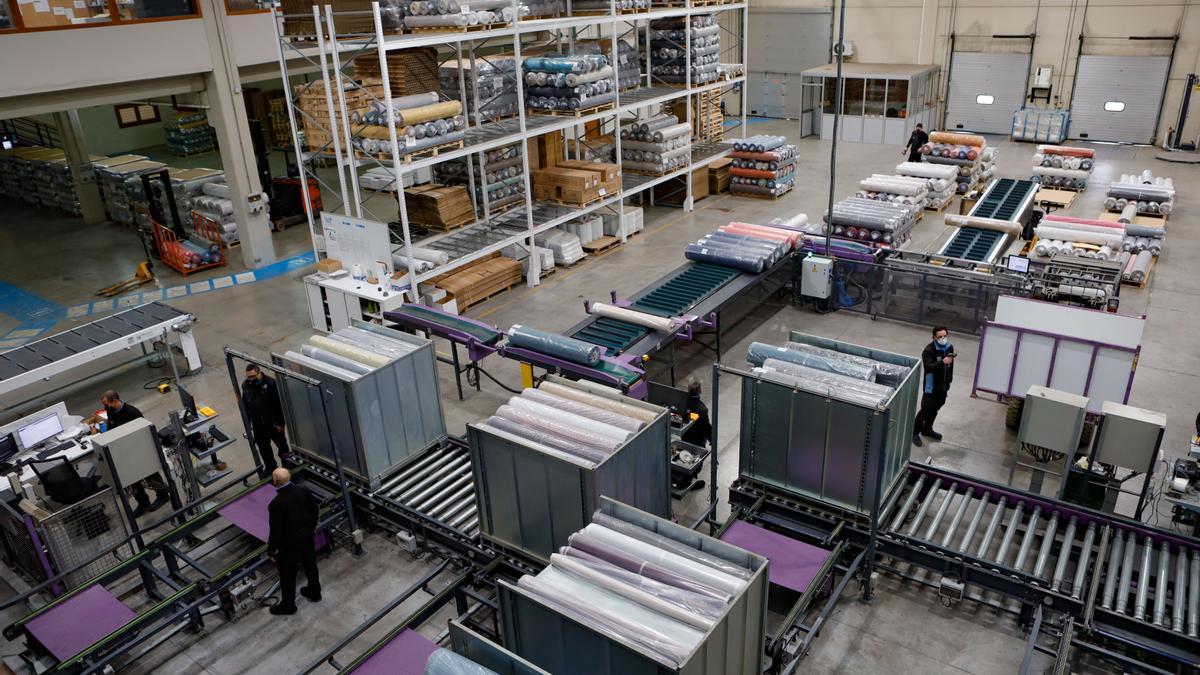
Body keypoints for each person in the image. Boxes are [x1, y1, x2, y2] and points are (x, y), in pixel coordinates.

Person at [98, 391, 171, 517]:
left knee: (149, 473)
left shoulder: (132, 413)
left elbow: (144, 431)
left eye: (106, 404)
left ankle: (163, 495)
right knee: (130, 477)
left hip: (139, 447)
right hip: (123, 449)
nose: (105, 407)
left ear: (115, 400)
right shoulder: (110, 410)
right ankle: (143, 502)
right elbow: (111, 426)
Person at [267, 467, 320, 616]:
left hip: (289, 546)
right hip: (307, 537)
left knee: (287, 576)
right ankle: (315, 592)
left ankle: (288, 605)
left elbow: (275, 531)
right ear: (290, 477)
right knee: (310, 566)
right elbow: (315, 510)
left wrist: (271, 550)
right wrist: (313, 527)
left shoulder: (275, 504)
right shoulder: (303, 490)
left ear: (275, 482)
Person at [241, 364, 289, 473]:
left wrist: (281, 424)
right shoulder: (246, 385)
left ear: (259, 373)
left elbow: (279, 405)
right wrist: (248, 426)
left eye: (253, 376)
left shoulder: (271, 383)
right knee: (264, 450)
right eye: (248, 377)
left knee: (282, 447)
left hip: (273, 424)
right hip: (258, 426)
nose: (251, 379)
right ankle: (271, 468)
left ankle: (288, 466)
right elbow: (245, 406)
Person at [912, 326, 954, 448]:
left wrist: (949, 381)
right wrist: (942, 362)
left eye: (945, 336)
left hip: (943, 386)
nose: (943, 338)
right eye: (940, 336)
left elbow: (951, 365)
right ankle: (915, 433)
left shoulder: (949, 347)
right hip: (931, 388)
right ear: (934, 337)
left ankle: (927, 429)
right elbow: (928, 367)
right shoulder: (929, 350)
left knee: (935, 409)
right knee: (925, 411)